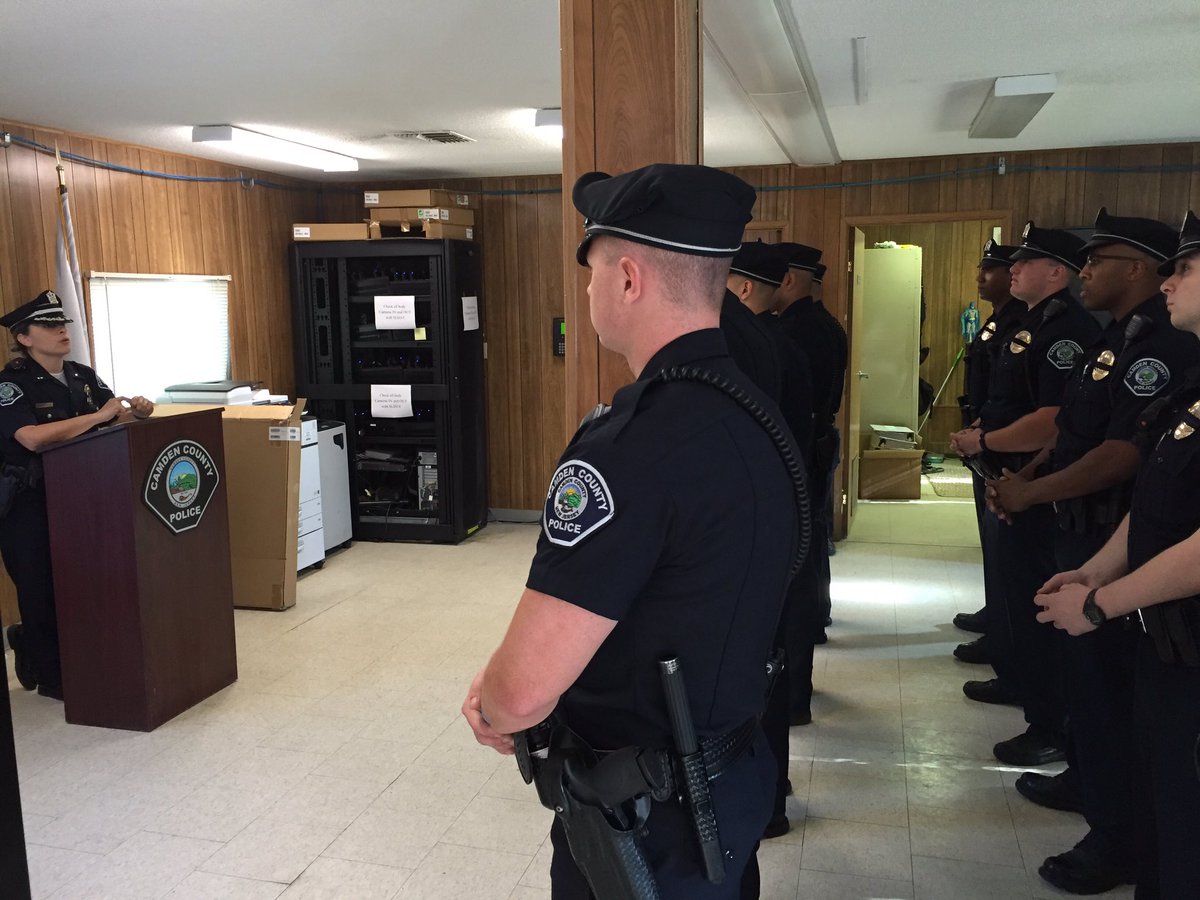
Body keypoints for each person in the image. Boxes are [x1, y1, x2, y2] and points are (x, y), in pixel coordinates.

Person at [461, 164, 804, 899]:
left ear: (626, 278)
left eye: (588, 272)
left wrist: (493, 700)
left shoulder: (628, 448)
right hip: (732, 783)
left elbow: (521, 694)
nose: (586, 292)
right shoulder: (757, 413)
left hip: (647, 822)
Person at [990, 209, 1196, 894]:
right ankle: (1103, 807)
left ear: (1132, 266)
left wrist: (1103, 596)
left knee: (1119, 710)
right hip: (1107, 549)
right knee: (1105, 706)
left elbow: (1122, 460)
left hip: (1160, 596)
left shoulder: (1162, 351)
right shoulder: (1123, 341)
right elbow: (1101, 444)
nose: (1175, 280)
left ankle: (1115, 839)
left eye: (1188, 268)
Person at [951, 222, 1099, 765]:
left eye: (1027, 261)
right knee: (1013, 589)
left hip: (1032, 483)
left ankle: (1049, 721)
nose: (1014, 267)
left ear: (1057, 272)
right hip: (1008, 473)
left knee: (1034, 596)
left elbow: (1057, 420)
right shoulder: (1031, 322)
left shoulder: (1063, 330)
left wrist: (998, 453)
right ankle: (1022, 682)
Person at [0, 291, 153, 700]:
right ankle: (51, 676)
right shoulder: (11, 384)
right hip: (29, 503)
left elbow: (113, 413)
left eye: (63, 324)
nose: (62, 331)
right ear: (25, 337)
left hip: (84, 497)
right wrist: (100, 416)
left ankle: (70, 656)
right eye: (49, 326)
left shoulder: (82, 375)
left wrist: (137, 411)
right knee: (40, 587)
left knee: (82, 583)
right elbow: (30, 439)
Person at [726, 239, 814, 840]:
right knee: (770, 661)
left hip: (754, 526)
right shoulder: (777, 338)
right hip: (781, 516)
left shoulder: (746, 344)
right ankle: (772, 785)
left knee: (756, 667)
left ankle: (766, 798)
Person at [950, 241, 1023, 657]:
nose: (981, 277)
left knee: (1005, 548)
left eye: (989, 270)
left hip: (1009, 451)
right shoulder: (998, 322)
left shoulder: (1022, 325)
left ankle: (1004, 635)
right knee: (992, 543)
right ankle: (996, 613)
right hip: (987, 441)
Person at [773, 242, 835, 651]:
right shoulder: (825, 323)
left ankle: (805, 624)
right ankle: (817, 614)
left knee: (801, 538)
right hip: (819, 439)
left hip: (800, 443)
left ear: (789, 280)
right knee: (814, 533)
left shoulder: (791, 331)